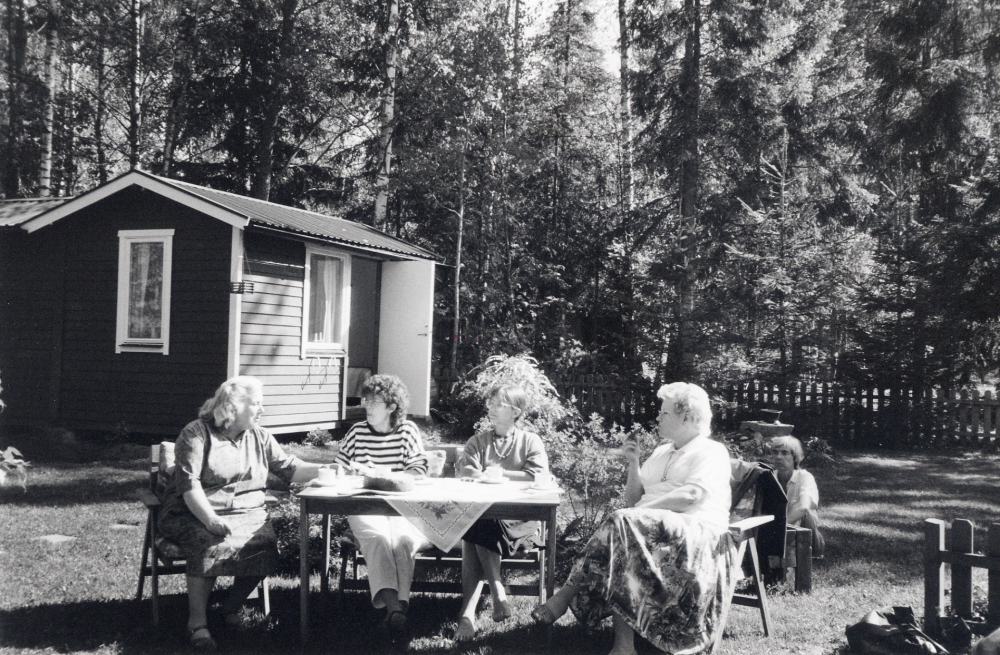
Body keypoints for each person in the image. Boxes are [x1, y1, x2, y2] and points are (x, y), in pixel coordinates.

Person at [530, 382, 734, 655]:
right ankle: (624, 646)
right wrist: (634, 462)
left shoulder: (710, 451)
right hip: (651, 533)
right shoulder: (663, 451)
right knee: (624, 543)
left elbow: (691, 495)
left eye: (665, 413)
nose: (658, 417)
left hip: (696, 533)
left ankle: (565, 596)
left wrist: (641, 511)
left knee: (623, 524)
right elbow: (633, 501)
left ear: (687, 417)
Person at [158, 376, 324, 651]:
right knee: (209, 541)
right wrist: (210, 519)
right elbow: (189, 485)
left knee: (265, 545)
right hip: (192, 510)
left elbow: (289, 468)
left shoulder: (260, 436)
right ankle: (197, 623)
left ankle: (230, 606)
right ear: (233, 406)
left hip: (246, 512)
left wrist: (327, 469)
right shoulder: (196, 433)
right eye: (256, 404)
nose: (262, 410)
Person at [335, 374, 429, 635]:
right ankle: (396, 610)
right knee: (378, 539)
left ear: (392, 407)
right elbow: (339, 468)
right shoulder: (357, 432)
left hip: (401, 507)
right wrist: (348, 473)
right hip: (364, 506)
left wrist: (386, 476)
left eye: (375, 402)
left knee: (403, 541)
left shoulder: (407, 430)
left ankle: (396, 610)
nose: (368, 406)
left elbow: (418, 470)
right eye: (366, 400)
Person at [454, 384, 549, 640]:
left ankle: (468, 613)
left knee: (475, 527)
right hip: (483, 517)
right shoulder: (478, 441)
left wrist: (497, 474)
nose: (491, 408)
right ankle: (496, 593)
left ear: (515, 411)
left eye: (498, 404)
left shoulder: (530, 441)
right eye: (491, 403)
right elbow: (466, 471)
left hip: (521, 521)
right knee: (480, 520)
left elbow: (537, 475)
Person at [769, 435, 825, 559]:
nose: (778, 457)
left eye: (784, 453)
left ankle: (804, 555)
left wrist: (777, 530)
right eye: (775, 452)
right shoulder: (769, 477)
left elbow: (803, 507)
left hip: (804, 531)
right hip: (778, 530)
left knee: (803, 510)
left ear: (795, 457)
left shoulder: (805, 477)